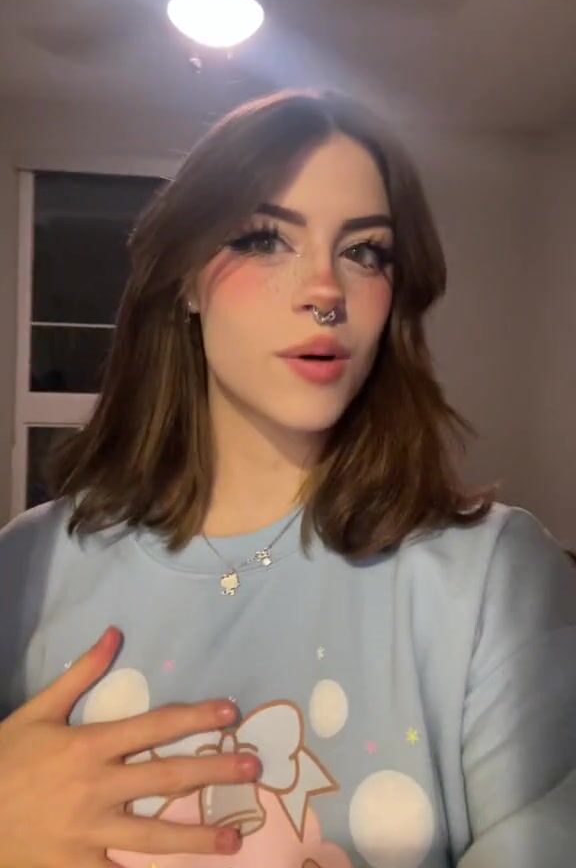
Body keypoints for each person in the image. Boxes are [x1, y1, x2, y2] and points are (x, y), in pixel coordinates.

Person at [0, 89, 574, 868]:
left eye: (365, 252)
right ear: (186, 280)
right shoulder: (26, 570)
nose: (326, 293)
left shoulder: (492, 583)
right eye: (265, 239)